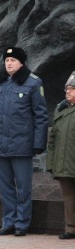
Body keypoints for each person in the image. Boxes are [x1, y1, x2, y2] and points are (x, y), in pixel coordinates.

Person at [0, 47, 48, 236]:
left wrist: (38, 143)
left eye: (13, 60)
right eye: (7, 60)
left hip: (22, 145)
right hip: (0, 144)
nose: (9, 63)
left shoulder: (33, 83)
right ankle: (8, 222)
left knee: (24, 187)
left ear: (21, 63)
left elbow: (41, 116)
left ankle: (22, 224)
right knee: (5, 188)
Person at [47, 71, 75, 240]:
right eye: (67, 89)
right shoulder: (61, 110)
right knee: (69, 198)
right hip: (64, 163)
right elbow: (53, 140)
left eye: (72, 89)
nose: (68, 92)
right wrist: (51, 164)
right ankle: (70, 228)